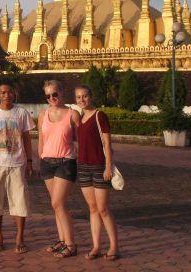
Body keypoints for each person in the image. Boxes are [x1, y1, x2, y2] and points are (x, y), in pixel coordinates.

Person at [0, 78, 35, 254]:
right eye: (2, 92)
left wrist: (30, 162)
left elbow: (26, 138)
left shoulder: (21, 113)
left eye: (9, 91)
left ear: (14, 93)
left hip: (17, 163)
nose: (6, 95)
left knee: (20, 202)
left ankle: (19, 238)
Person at [74, 84, 119, 261]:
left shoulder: (100, 116)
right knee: (92, 209)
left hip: (99, 166)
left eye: (85, 96)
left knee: (103, 209)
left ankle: (114, 246)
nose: (82, 100)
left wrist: (108, 166)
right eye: (78, 97)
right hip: (83, 166)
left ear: (91, 97)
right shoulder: (80, 118)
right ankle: (96, 246)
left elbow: (107, 144)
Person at [38, 80, 81, 258]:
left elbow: (81, 139)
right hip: (47, 162)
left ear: (62, 93)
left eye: (55, 94)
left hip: (66, 162)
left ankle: (71, 244)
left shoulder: (73, 114)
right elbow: (41, 138)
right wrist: (40, 156)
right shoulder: (42, 115)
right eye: (48, 95)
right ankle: (62, 240)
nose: (52, 98)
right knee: (55, 205)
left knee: (58, 203)